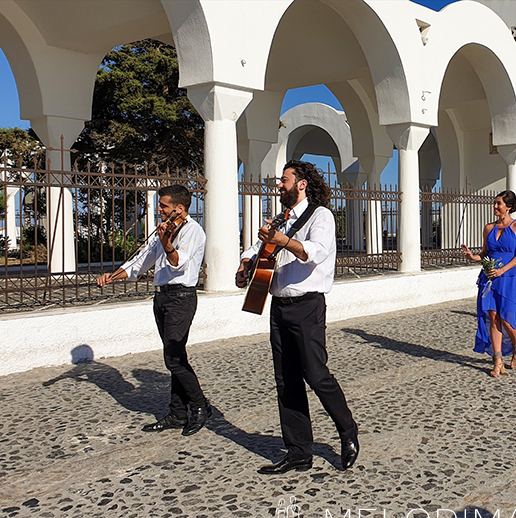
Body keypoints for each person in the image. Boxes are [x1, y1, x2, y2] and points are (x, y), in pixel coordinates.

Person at [236, 160, 358, 474]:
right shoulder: (280, 218)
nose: (279, 185)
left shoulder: (321, 215)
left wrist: (284, 241)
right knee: (286, 380)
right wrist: (246, 262)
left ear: (301, 183)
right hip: (278, 306)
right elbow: (255, 246)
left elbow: (316, 251)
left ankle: (347, 431)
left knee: (316, 375)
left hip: (307, 306)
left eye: (284, 180)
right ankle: (298, 451)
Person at [96, 185, 210, 436]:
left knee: (174, 359)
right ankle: (178, 413)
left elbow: (179, 263)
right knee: (174, 357)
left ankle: (200, 406)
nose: (159, 210)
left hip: (181, 297)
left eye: (164, 206)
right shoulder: (162, 232)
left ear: (179, 208)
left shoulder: (193, 231)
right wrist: (112, 276)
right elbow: (140, 262)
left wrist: (166, 242)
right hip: (162, 298)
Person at [461, 190, 516, 378]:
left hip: (509, 278)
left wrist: (503, 270)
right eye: (495, 203)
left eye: (499, 203)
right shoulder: (488, 228)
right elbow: (485, 253)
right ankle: (498, 361)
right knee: (492, 317)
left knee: (507, 319)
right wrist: (472, 257)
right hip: (489, 278)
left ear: (508, 207)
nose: (495, 206)